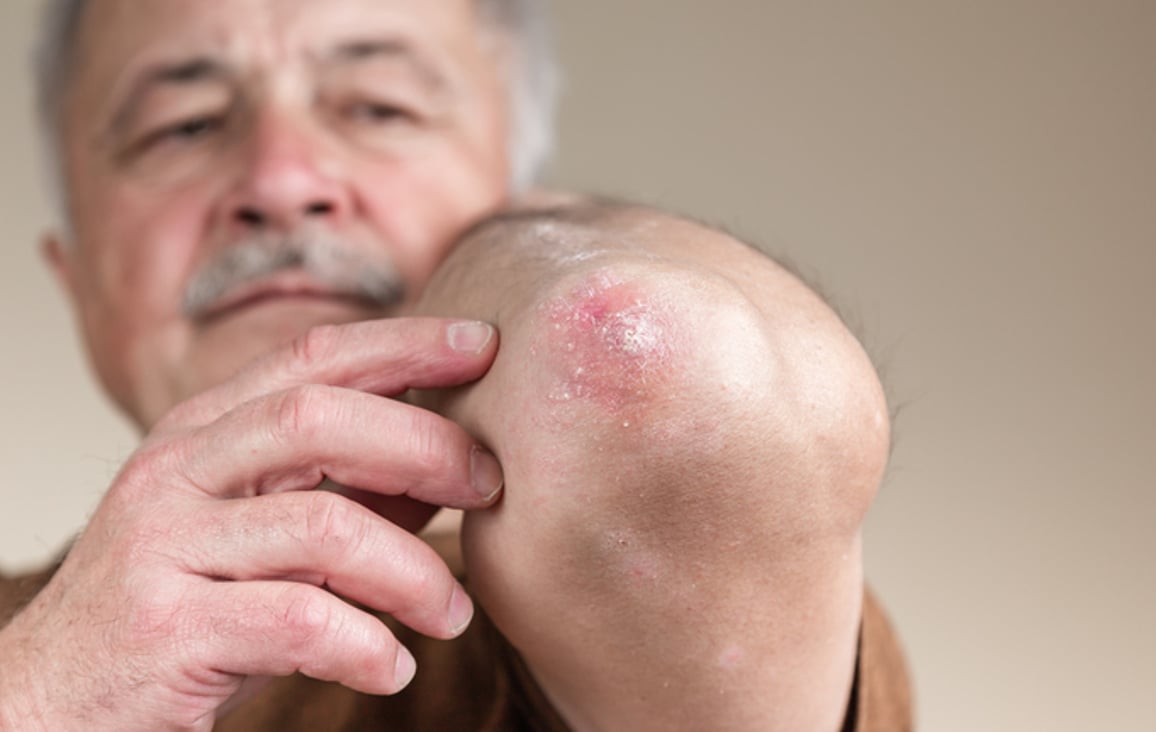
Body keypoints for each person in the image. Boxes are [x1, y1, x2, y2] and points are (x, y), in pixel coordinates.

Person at [0, 0, 911, 729]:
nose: (280, 181)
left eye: (379, 108)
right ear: (76, 279)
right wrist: (42, 698)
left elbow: (664, 360)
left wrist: (505, 249)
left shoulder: (639, 607)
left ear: (518, 217)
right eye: (184, 125)